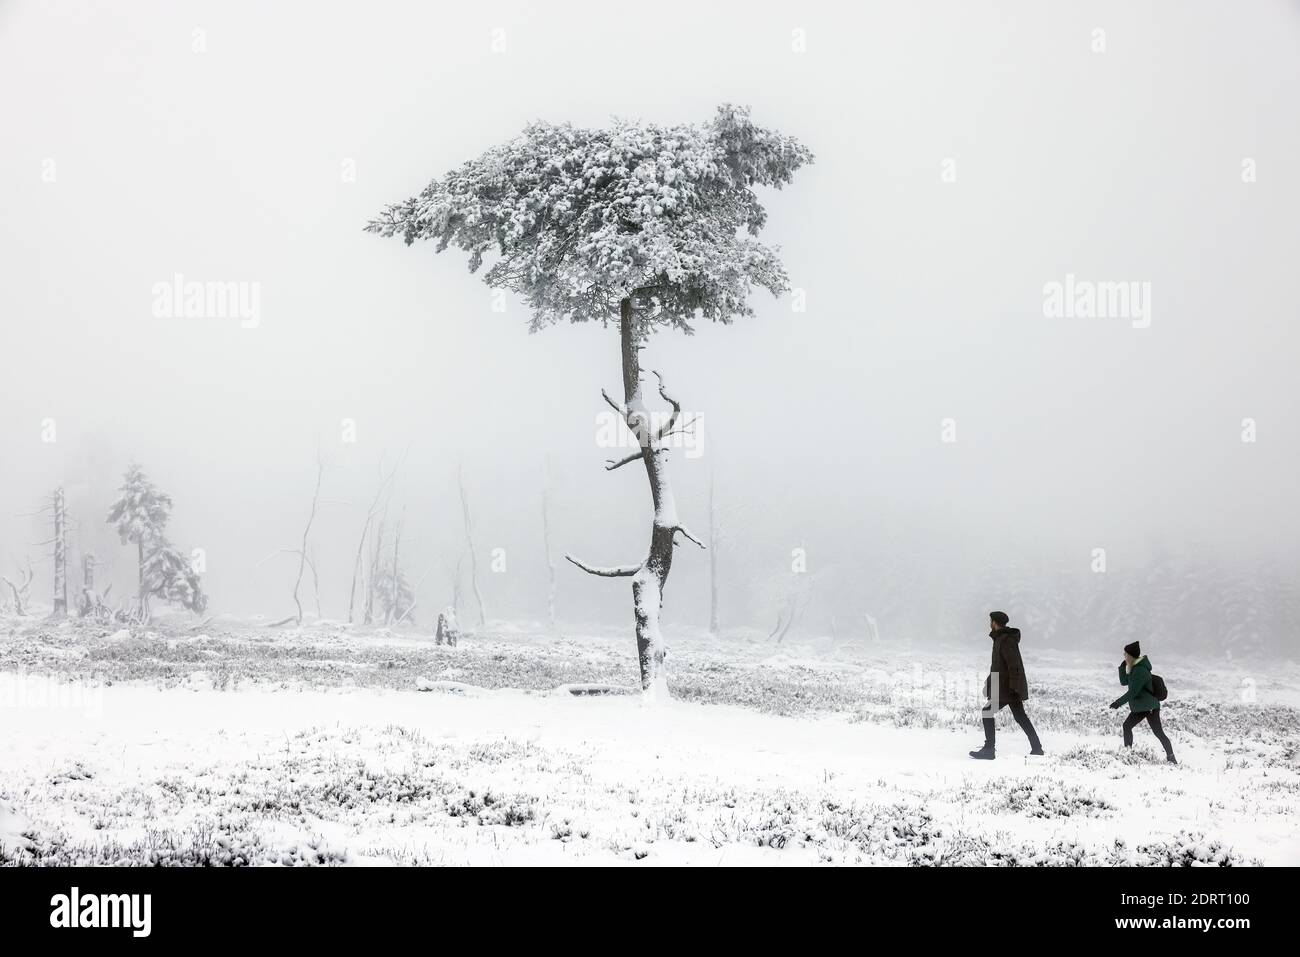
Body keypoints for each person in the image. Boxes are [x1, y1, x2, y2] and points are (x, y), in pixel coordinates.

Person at [970, 611, 1043, 759]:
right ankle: (1037, 748)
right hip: (1004, 686)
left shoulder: (1006, 640)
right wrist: (988, 683)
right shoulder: (1000, 639)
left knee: (987, 712)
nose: (989, 624)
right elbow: (998, 666)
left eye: (991, 621)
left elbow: (1014, 665)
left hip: (1007, 688)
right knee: (1020, 717)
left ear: (995, 622)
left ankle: (989, 750)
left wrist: (1014, 687)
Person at [1110, 641, 1177, 764]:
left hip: (1149, 707)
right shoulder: (1134, 668)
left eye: (1125, 654)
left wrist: (1117, 703)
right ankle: (1128, 753)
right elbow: (1124, 682)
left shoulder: (1140, 670)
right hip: (1141, 707)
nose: (1124, 656)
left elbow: (1133, 692)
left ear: (1130, 655)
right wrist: (1122, 667)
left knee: (1158, 733)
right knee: (1127, 726)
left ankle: (1171, 758)